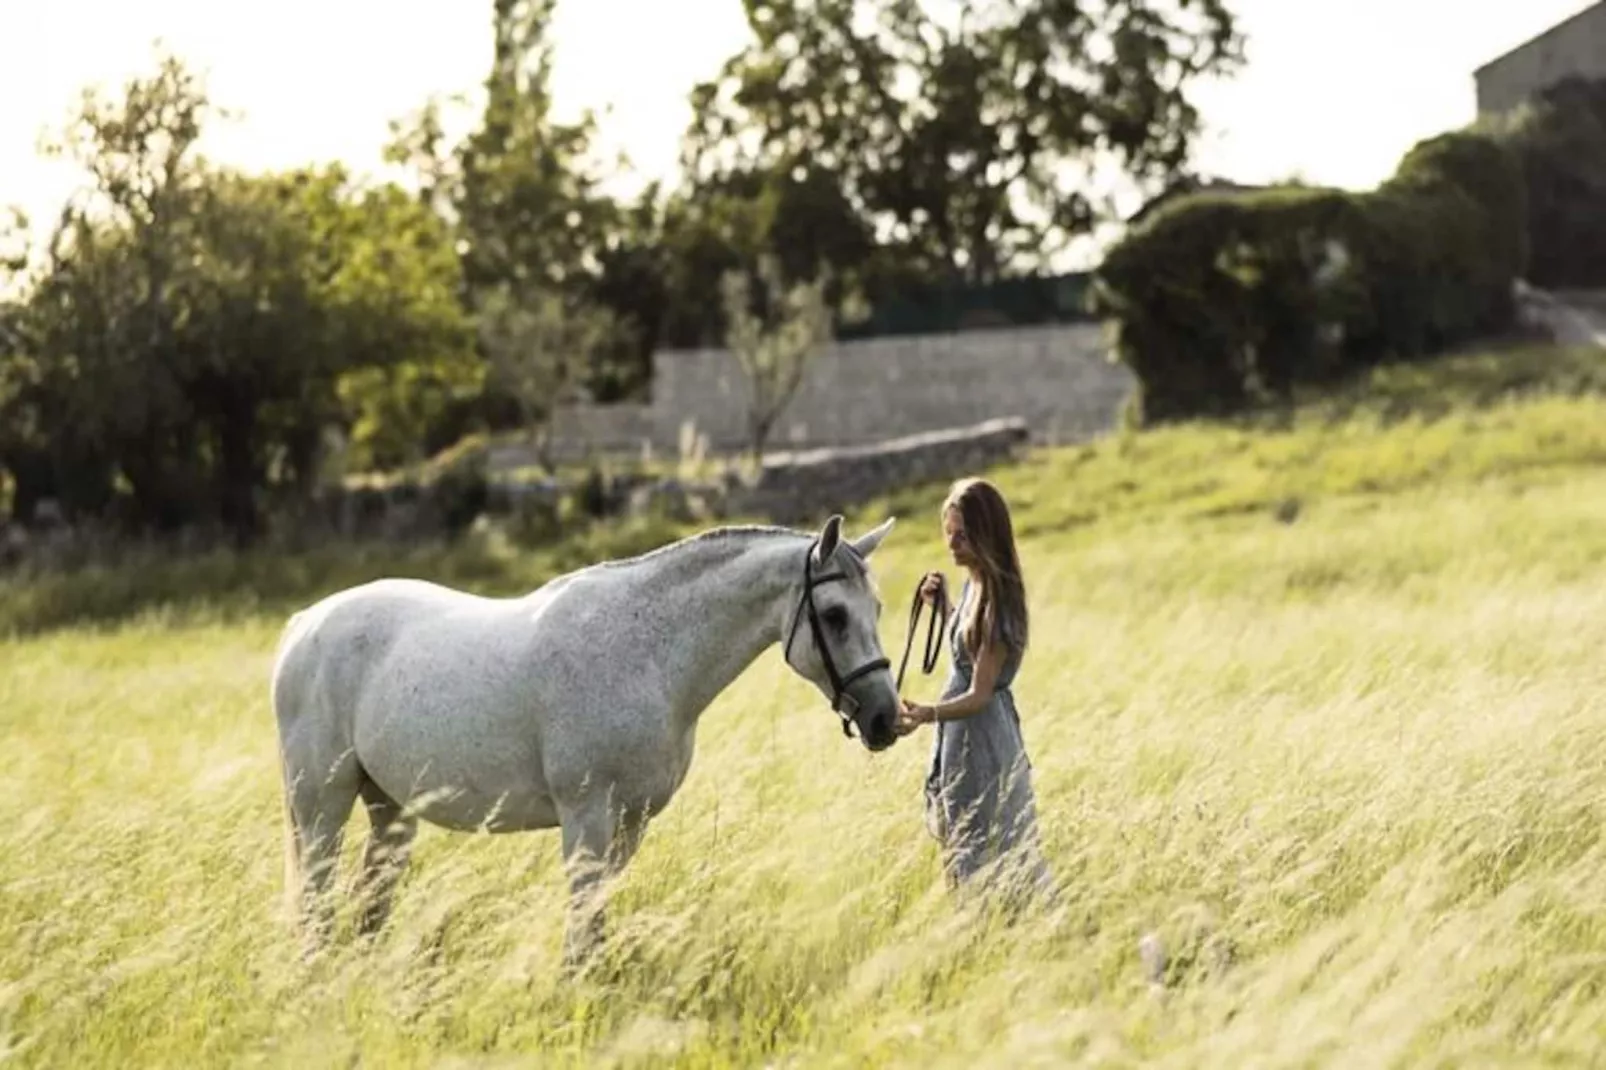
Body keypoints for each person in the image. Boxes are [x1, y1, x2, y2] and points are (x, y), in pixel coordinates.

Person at [895, 476, 1055, 910]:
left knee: (988, 837)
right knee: (961, 838)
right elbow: (969, 647)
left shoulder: (999, 598)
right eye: (949, 534)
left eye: (962, 535)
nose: (952, 545)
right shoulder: (974, 587)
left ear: (985, 534)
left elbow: (981, 691)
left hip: (982, 736)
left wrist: (926, 713)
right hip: (960, 734)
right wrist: (944, 606)